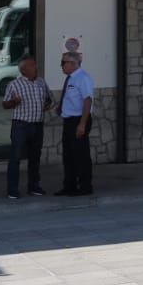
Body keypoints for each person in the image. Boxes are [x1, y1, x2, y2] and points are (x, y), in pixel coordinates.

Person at [2, 56, 51, 199]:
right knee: (15, 158)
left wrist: (47, 104)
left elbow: (49, 98)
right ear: (23, 69)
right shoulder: (14, 85)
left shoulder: (41, 82)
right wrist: (14, 102)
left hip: (37, 125)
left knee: (35, 157)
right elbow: (5, 104)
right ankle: (12, 190)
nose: (36, 67)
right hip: (21, 126)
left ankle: (34, 186)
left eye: (35, 64)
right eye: (32, 65)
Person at [55, 51, 94, 196]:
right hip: (69, 120)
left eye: (63, 62)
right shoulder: (71, 79)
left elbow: (88, 101)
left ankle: (85, 186)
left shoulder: (83, 78)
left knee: (81, 155)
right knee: (68, 155)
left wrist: (82, 124)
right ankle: (69, 186)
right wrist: (60, 108)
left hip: (79, 120)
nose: (61, 66)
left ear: (72, 63)